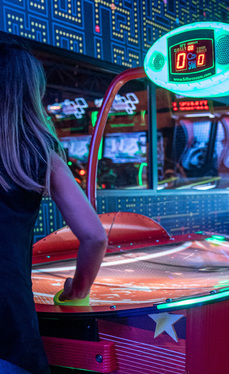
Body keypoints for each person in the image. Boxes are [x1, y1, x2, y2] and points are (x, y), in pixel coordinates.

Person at [0, 39, 107, 373]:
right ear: (31, 92)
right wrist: (76, 291)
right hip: (9, 318)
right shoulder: (40, 153)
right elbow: (94, 237)